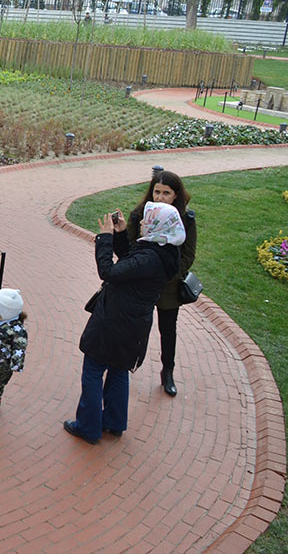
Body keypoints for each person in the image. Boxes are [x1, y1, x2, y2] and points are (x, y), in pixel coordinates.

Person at [64, 202, 184, 445]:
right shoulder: (163, 250)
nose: (140, 223)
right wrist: (119, 235)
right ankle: (114, 422)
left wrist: (105, 239)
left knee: (93, 369)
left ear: (156, 225)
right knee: (118, 370)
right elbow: (130, 263)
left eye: (145, 220)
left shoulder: (150, 257)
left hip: (114, 321)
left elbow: (109, 272)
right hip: (134, 325)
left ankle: (88, 426)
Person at [123, 170, 197, 397]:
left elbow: (188, 255)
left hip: (168, 285)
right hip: (141, 283)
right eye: (157, 191)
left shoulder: (186, 219)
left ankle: (168, 371)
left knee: (168, 328)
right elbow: (129, 248)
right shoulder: (138, 215)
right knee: (133, 325)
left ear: (176, 196)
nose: (160, 197)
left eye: (167, 193)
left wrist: (168, 275)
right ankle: (123, 364)